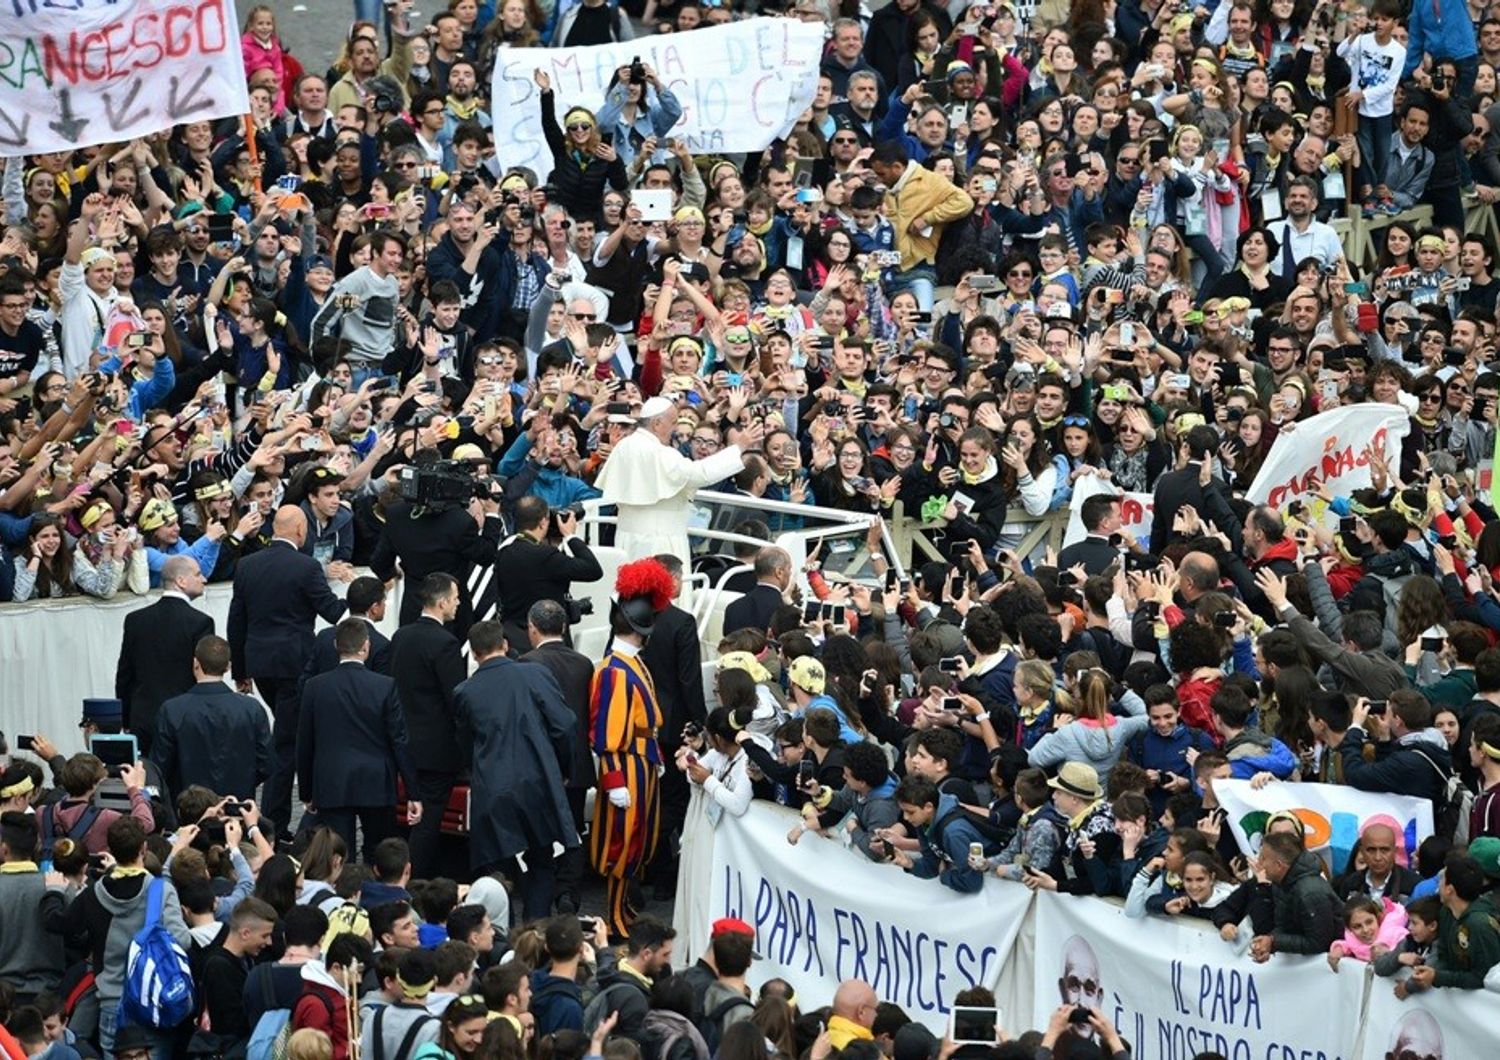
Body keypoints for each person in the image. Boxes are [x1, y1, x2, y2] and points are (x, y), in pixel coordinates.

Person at [229, 506, 349, 839]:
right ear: (300, 530)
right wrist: (354, 596)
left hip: (260, 664)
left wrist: (240, 670)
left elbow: (236, 620)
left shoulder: (247, 565)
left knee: (287, 736)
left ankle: (275, 821)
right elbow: (332, 612)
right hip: (295, 666)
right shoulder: (306, 567)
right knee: (286, 744)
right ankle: (273, 824)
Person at [453, 619, 579, 920]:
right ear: (505, 645)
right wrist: (563, 768)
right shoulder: (535, 673)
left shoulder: (464, 692)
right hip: (537, 782)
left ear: (473, 653)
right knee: (542, 860)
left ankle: (498, 936)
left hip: (492, 789)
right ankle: (534, 933)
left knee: (498, 866)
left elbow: (464, 744)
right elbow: (565, 725)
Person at [38, 816, 191, 1058]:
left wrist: (55, 892)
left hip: (112, 1003)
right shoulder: (161, 890)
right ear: (144, 848)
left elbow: (59, 923)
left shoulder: (94, 894)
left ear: (110, 850)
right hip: (154, 1002)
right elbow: (182, 940)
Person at [589, 559, 676, 939]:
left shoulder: (630, 664)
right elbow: (607, 733)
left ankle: (623, 907)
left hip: (641, 762)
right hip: (625, 766)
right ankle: (613, 914)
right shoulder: (614, 670)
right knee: (621, 845)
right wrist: (613, 779)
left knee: (638, 842)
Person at [297, 617, 422, 862]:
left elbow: (305, 743)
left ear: (336, 646)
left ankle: (344, 896)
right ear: (366, 646)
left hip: (332, 780)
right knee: (378, 851)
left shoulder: (315, 687)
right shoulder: (385, 686)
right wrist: (413, 792)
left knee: (340, 854)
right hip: (376, 780)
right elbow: (400, 740)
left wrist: (306, 791)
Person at [594, 396, 762, 572]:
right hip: (660, 543)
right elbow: (700, 474)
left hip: (626, 540)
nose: (675, 429)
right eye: (673, 422)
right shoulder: (660, 453)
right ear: (657, 423)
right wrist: (738, 447)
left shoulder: (624, 445)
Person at [387, 573, 468, 879]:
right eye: (456, 597)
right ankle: (411, 882)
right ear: (442, 601)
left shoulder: (401, 636)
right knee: (428, 822)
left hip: (403, 742)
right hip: (437, 750)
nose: (458, 602)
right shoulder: (445, 643)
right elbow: (456, 698)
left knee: (406, 817)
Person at [521, 599, 597, 916]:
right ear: (564, 627)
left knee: (538, 832)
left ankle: (541, 890)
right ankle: (568, 892)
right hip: (577, 763)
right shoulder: (583, 664)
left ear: (532, 628)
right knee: (574, 828)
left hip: (541, 765)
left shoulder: (525, 663)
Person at [370, 456, 504, 634]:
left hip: (414, 610)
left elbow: (379, 562)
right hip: (452, 614)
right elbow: (486, 555)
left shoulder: (395, 514)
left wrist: (395, 572)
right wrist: (493, 514)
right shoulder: (460, 521)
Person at [640, 553, 708, 898]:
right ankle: (667, 875)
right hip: (672, 726)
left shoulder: (632, 615)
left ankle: (646, 868)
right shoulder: (681, 622)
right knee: (673, 801)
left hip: (638, 721)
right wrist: (700, 723)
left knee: (646, 798)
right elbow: (689, 680)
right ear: (671, 580)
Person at [115, 554, 214, 757]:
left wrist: (125, 719)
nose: (203, 579)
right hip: (185, 718)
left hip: (143, 718)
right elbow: (204, 675)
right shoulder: (200, 622)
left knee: (148, 783)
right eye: (198, 574)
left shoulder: (135, 620)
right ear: (181, 581)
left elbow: (125, 675)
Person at [152, 634, 272, 801]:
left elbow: (160, 766)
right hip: (237, 806)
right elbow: (266, 764)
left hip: (188, 808)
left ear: (196, 663)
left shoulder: (172, 709)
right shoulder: (252, 709)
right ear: (228, 666)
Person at [484, 496, 603, 651]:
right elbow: (593, 570)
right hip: (547, 642)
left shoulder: (504, 551)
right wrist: (570, 536)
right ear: (542, 522)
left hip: (514, 640)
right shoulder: (546, 557)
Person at [1249, 831, 1345, 962]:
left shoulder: (1311, 893)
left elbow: (1319, 943)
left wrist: (1274, 942)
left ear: (1279, 865)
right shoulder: (1280, 883)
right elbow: (1283, 926)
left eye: (1263, 858)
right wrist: (1268, 945)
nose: (1259, 863)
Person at [722, 547, 791, 636]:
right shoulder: (786, 612)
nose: (790, 573)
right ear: (779, 572)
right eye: (789, 569)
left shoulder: (733, 608)